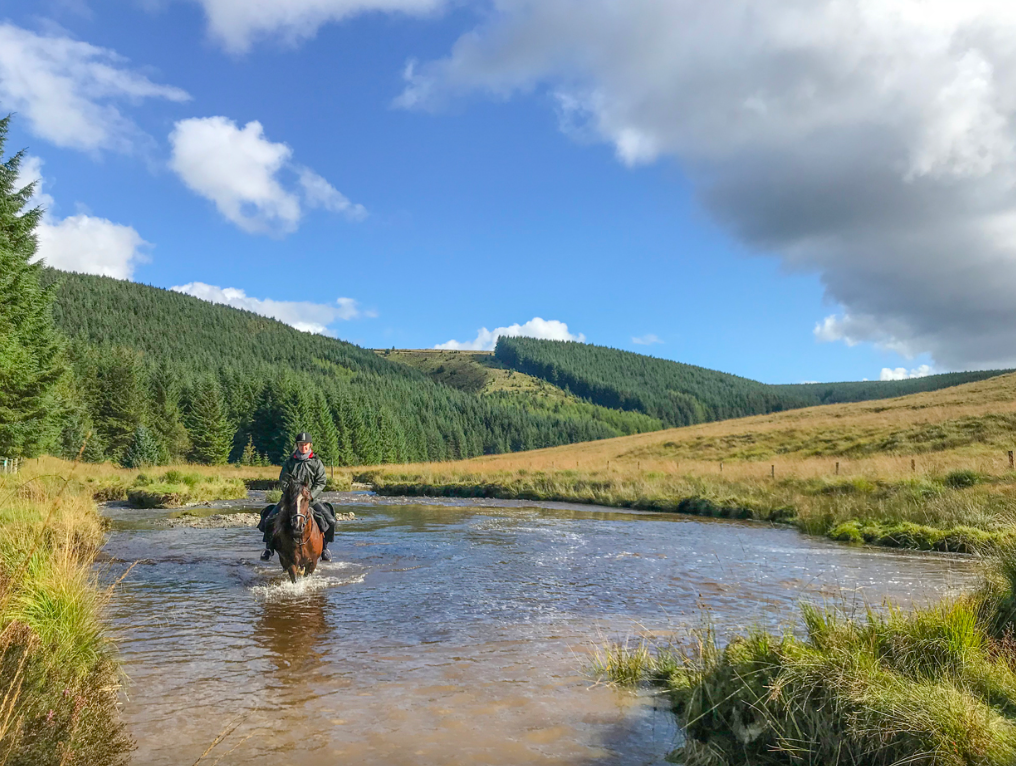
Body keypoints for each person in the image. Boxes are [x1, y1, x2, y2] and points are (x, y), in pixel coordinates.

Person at [260, 432, 337, 562]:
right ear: (297, 445)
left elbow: (321, 481)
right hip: (290, 500)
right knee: (268, 520)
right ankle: (269, 549)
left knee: (331, 521)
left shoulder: (316, 462)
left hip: (310, 500)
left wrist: (311, 495)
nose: (303, 447)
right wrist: (291, 495)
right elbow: (283, 480)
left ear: (310, 445)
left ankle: (324, 548)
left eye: (305, 445)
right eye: (301, 445)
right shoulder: (290, 462)